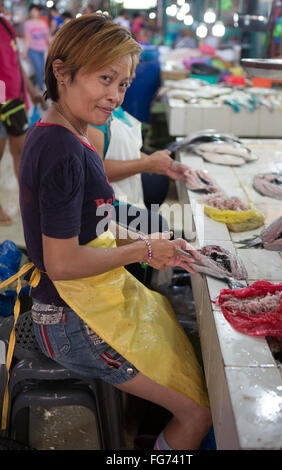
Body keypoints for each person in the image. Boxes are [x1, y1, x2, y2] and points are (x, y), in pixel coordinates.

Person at [18, 15, 211, 450]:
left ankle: (146, 427)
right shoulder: (63, 150)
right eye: (105, 78)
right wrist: (142, 248)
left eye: (123, 83)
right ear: (62, 72)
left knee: (178, 341)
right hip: (70, 321)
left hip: (85, 303)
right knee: (199, 412)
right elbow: (63, 263)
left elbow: (97, 216)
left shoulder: (71, 131)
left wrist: (166, 234)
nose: (115, 95)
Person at [87, 106, 187, 285]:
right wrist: (147, 164)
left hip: (125, 190)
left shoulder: (115, 109)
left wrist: (163, 165)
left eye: (125, 84)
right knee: (153, 225)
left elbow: (125, 151)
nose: (116, 95)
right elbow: (97, 170)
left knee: (157, 185)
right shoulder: (93, 118)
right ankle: (137, 285)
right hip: (104, 198)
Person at [0, 13, 43, 225]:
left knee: (22, 153)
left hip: (15, 101)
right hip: (2, 101)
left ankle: (29, 203)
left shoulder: (6, 25)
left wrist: (30, 89)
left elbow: (17, 63)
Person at [23, 4, 50, 92]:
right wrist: (25, 51)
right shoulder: (28, 24)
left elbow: (48, 37)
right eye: (32, 11)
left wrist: (53, 47)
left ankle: (33, 86)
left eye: (35, 11)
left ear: (39, 12)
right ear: (30, 12)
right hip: (32, 49)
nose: (33, 12)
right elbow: (27, 39)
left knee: (42, 70)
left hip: (42, 50)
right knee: (38, 69)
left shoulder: (43, 23)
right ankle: (41, 91)